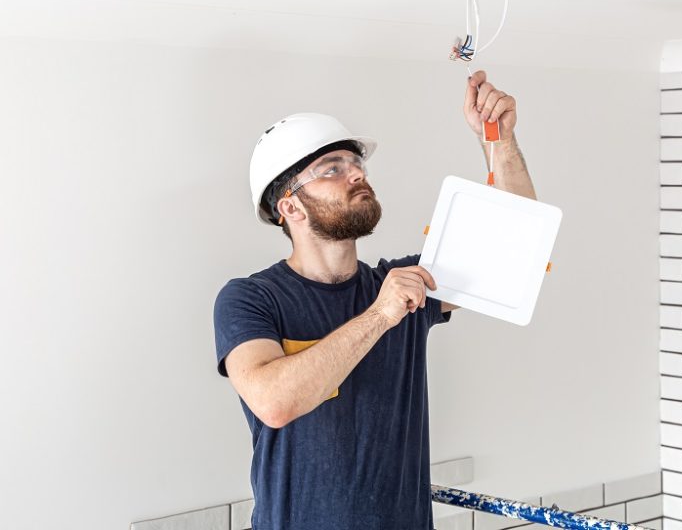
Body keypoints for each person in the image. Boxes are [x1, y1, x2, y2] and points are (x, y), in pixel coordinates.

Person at [213, 70, 537, 530]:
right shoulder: (251, 299)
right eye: (333, 169)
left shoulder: (402, 283)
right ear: (290, 207)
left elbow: (516, 247)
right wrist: (381, 315)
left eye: (355, 164)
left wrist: (500, 139)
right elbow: (274, 402)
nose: (357, 174)